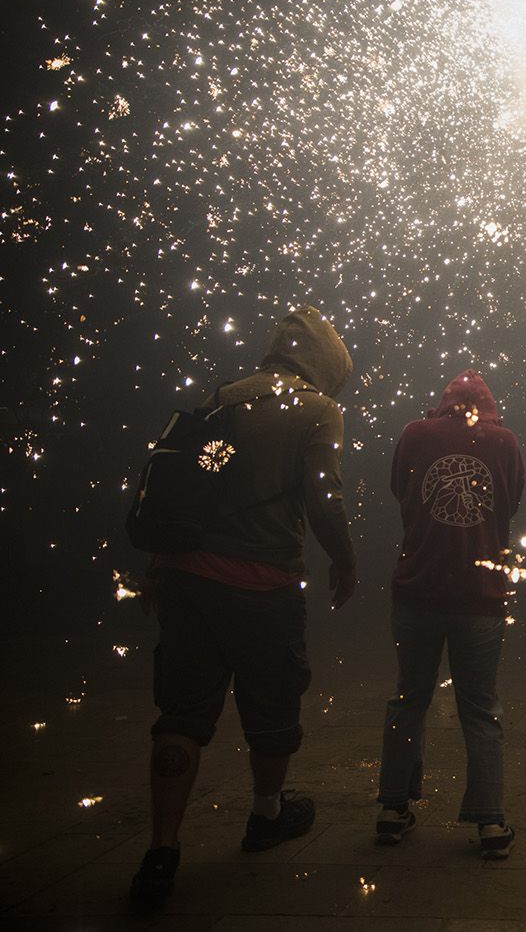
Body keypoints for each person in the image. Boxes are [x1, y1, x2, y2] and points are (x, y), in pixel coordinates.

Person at [130, 307, 357, 903]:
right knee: (274, 701)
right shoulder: (316, 409)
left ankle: (161, 850)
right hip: (263, 585)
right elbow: (324, 496)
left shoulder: (224, 399)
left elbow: (203, 475)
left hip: (188, 580)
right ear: (327, 360)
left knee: (181, 713)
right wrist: (346, 557)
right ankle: (265, 815)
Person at [375, 370, 526, 859]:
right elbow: (512, 502)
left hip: (417, 591)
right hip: (480, 595)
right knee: (481, 709)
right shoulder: (504, 441)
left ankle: (392, 810)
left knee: (408, 699)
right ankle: (490, 822)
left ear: (443, 403)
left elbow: (401, 490)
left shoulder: (415, 434)